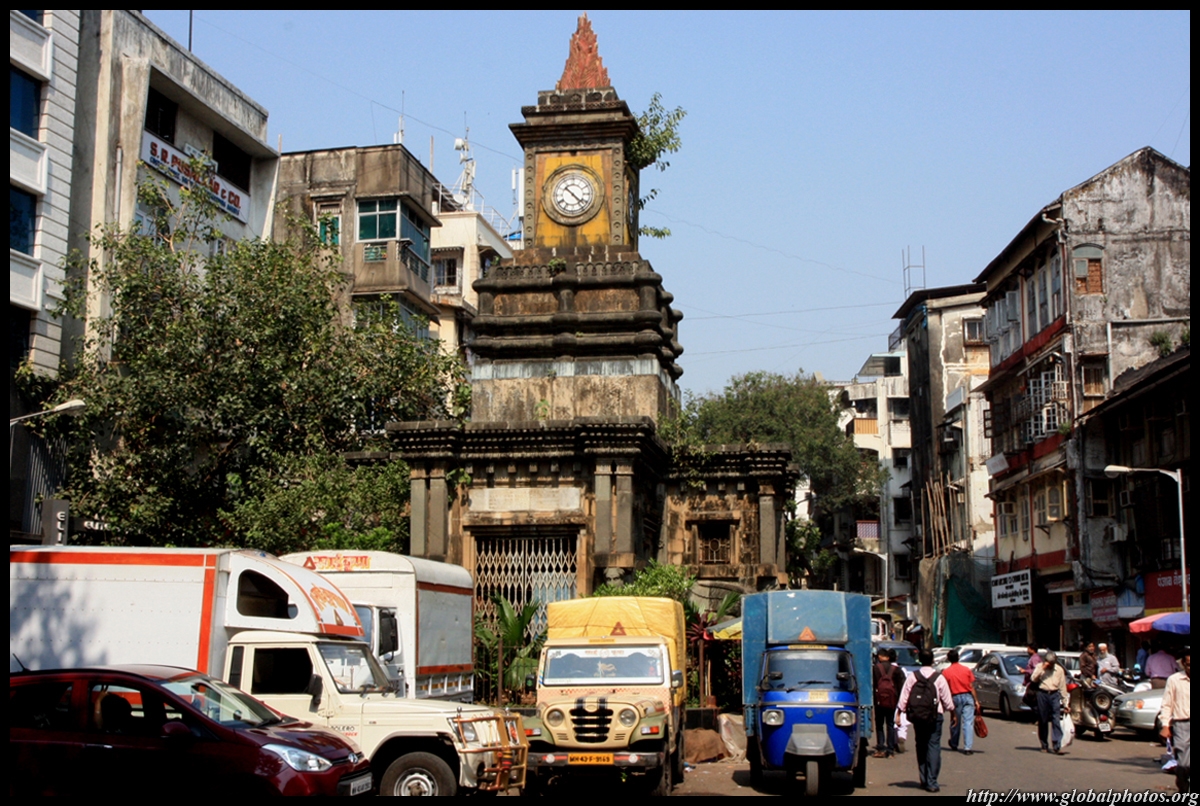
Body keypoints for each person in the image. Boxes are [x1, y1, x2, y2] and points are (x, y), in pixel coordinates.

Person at [896, 648, 955, 792]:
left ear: (920, 660)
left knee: (921, 746)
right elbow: (947, 700)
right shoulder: (938, 678)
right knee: (933, 746)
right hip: (935, 716)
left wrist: (899, 713)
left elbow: (904, 696)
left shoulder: (913, 676)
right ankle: (932, 781)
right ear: (933, 660)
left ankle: (923, 779)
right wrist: (953, 714)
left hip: (918, 716)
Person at [1158, 649, 1190, 794]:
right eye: (1189, 664)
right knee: (1184, 764)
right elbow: (1167, 704)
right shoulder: (1174, 680)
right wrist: (1165, 725)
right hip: (1182, 725)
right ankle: (1183, 788)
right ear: (1184, 664)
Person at [1030, 650, 1070, 753]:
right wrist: (1042, 669)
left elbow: (1063, 687)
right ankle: (1044, 744)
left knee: (1056, 719)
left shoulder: (1059, 670)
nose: (1050, 665)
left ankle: (1057, 745)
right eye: (1049, 663)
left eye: (1052, 663)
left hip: (1054, 695)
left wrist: (1066, 703)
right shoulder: (1040, 667)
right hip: (1042, 694)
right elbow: (1033, 679)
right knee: (1043, 720)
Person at [942, 649, 980, 755]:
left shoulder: (946, 672)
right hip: (968, 696)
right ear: (958, 657)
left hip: (954, 697)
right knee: (968, 722)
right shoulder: (966, 670)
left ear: (948, 659)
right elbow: (971, 686)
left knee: (955, 720)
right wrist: (976, 701)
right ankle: (968, 747)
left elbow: (945, 688)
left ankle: (954, 743)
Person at [873, 648, 906, 758]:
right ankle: (890, 749)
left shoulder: (875, 668)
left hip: (879, 701)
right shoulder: (896, 670)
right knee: (890, 724)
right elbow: (902, 687)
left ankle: (881, 747)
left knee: (879, 724)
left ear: (880, 657)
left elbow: (872, 685)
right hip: (892, 701)